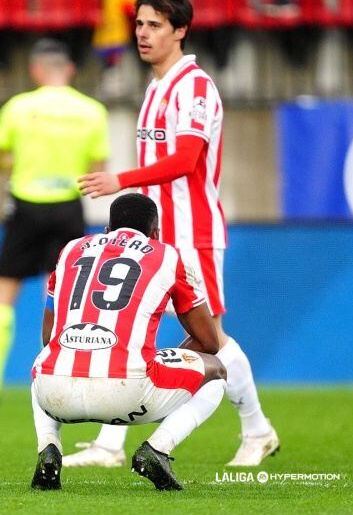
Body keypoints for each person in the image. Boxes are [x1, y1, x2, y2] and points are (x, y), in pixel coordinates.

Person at [74, 0, 279, 467]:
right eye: (139, 24)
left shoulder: (195, 88)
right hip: (159, 237)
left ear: (180, 31)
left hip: (193, 233)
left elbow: (187, 161)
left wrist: (119, 180)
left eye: (155, 26)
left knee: (212, 338)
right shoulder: (155, 88)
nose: (143, 34)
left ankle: (257, 430)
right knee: (129, 330)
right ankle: (108, 446)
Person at [30, 193, 226, 492]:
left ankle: (49, 446)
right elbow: (209, 341)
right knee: (218, 372)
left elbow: (48, 336)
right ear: (155, 232)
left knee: (45, 361)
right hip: (129, 392)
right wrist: (156, 362)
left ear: (108, 228)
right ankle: (157, 450)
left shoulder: (71, 249)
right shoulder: (166, 254)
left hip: (53, 397)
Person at [0, 39, 109, 406]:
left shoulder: (20, 107)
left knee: (3, 292)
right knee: (67, 298)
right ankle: (68, 378)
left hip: (25, 206)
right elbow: (97, 172)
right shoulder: (92, 111)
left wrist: (16, 165)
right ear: (70, 70)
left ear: (35, 70)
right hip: (68, 206)